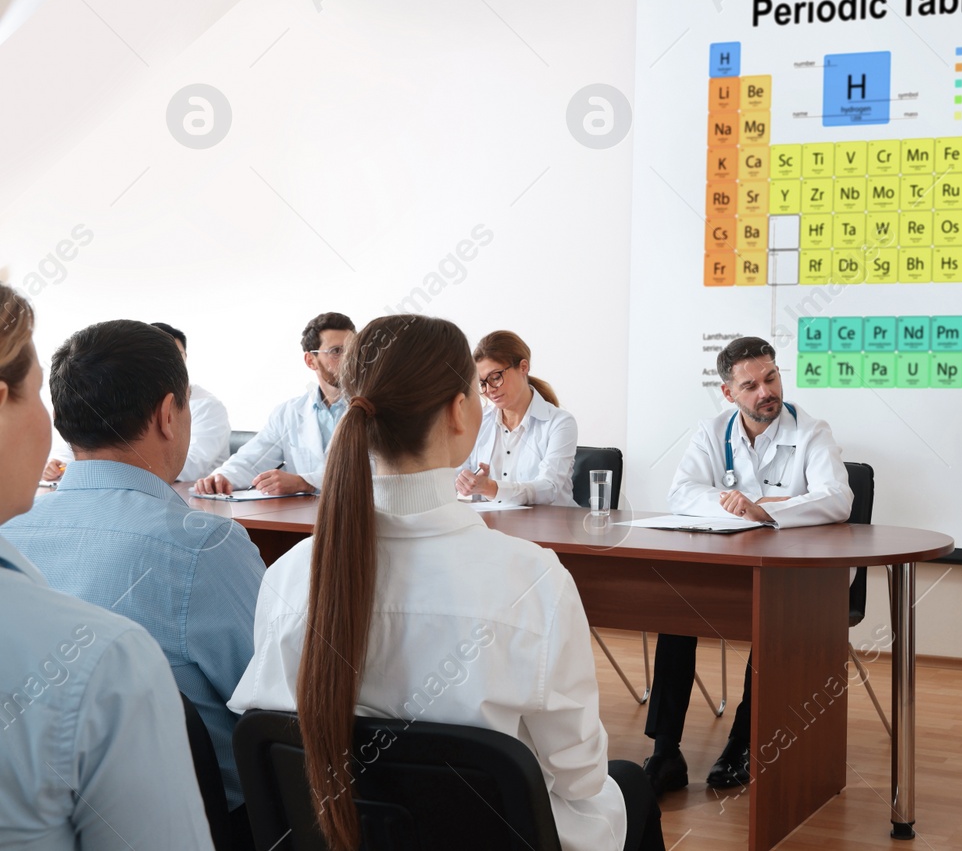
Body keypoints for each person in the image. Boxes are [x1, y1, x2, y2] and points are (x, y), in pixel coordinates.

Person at [229, 315, 664, 851]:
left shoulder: (286, 577)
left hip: (345, 836)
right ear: (460, 412)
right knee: (631, 785)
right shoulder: (535, 581)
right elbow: (579, 777)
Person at [2, 318, 267, 838]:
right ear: (170, 414)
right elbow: (274, 703)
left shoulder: (14, 529)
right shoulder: (204, 546)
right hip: (211, 823)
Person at [642, 336, 852, 796]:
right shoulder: (712, 431)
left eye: (771, 378)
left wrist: (765, 508)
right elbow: (681, 494)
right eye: (751, 385)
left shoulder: (811, 431)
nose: (766, 392)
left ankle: (742, 743)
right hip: (727, 567)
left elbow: (837, 499)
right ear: (729, 392)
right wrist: (737, 505)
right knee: (676, 616)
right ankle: (665, 751)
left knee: (766, 618)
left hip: (793, 578)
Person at [42, 321, 231, 484]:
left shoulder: (207, 406)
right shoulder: (118, 398)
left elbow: (189, 464)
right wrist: (59, 461)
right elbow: (89, 435)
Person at [195, 311, 355, 496]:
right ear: (311, 361)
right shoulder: (289, 413)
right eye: (336, 351)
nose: (349, 359)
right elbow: (252, 460)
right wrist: (222, 477)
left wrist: (306, 482)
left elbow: (376, 473)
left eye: (352, 350)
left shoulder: (377, 409)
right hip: (301, 519)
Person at [454, 330, 578, 505]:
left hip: (548, 527)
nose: (489, 390)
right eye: (482, 383)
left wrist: (491, 487)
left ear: (523, 367)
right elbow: (456, 472)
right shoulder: (479, 421)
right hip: (492, 526)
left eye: (495, 378)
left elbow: (549, 488)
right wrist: (462, 481)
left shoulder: (560, 423)